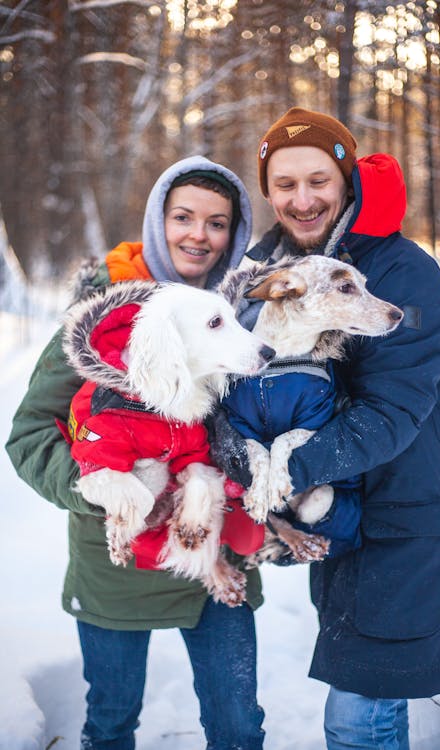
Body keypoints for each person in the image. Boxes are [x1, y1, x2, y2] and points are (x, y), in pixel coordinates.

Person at [215, 107, 440, 749]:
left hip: (408, 522)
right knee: (363, 698)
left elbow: (391, 412)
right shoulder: (267, 275)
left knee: (359, 718)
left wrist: (273, 474)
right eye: (284, 184)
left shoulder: (397, 273)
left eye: (318, 180)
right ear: (268, 190)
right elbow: (243, 390)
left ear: (346, 179)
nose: (302, 200)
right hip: (344, 517)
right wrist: (242, 458)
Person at [5, 156, 265, 750]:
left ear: (235, 233)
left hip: (213, 554)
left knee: (238, 726)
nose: (199, 234)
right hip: (113, 563)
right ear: (158, 221)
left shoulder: (248, 315)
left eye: (217, 223)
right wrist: (111, 491)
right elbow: (28, 435)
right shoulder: (105, 315)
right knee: (112, 722)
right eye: (183, 217)